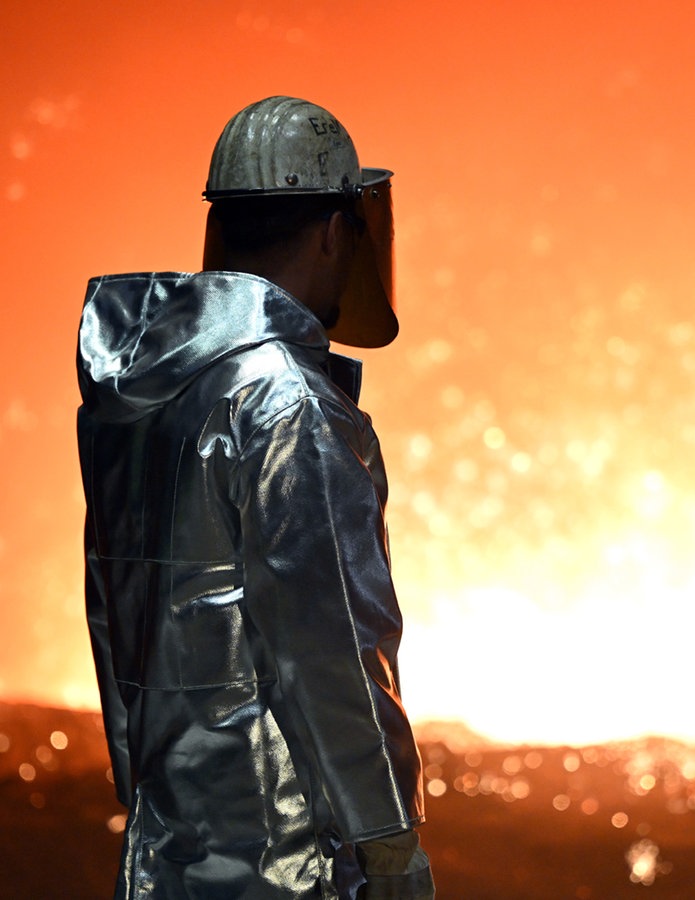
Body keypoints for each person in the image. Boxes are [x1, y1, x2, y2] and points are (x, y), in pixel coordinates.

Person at [76, 96, 435, 899]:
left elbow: (115, 612)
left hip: (168, 853)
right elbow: (331, 641)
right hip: (286, 860)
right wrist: (388, 841)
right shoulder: (283, 402)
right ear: (339, 231)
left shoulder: (145, 396)